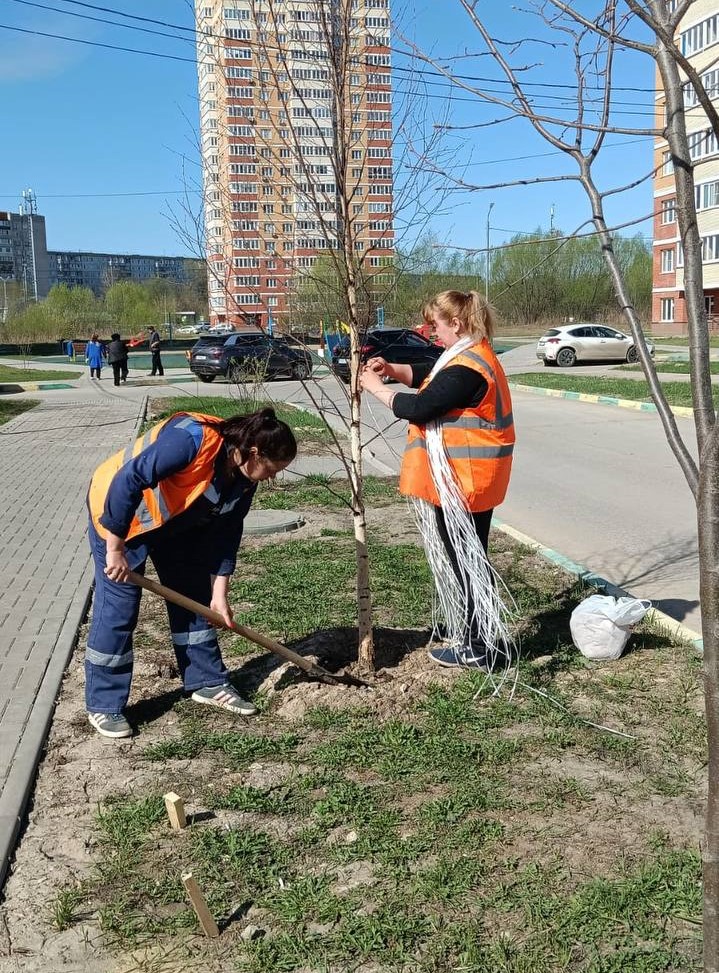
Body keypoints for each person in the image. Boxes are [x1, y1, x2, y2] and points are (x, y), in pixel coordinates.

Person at [84, 407, 297, 738]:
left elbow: (227, 534)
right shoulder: (191, 440)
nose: (271, 478)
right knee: (119, 609)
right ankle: (104, 705)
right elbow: (129, 479)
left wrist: (219, 596)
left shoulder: (243, 479)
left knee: (191, 595)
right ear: (253, 452)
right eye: (271, 470)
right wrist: (115, 549)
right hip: (119, 517)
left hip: (172, 524)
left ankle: (206, 681)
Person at [360, 290, 515, 672]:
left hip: (466, 482)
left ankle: (478, 647)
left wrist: (376, 387)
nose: (432, 333)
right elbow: (431, 377)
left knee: (466, 562)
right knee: (467, 558)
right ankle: (473, 632)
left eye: (436, 325)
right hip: (466, 480)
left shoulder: (468, 367)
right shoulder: (466, 355)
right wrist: (393, 370)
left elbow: (421, 405)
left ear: (457, 324)